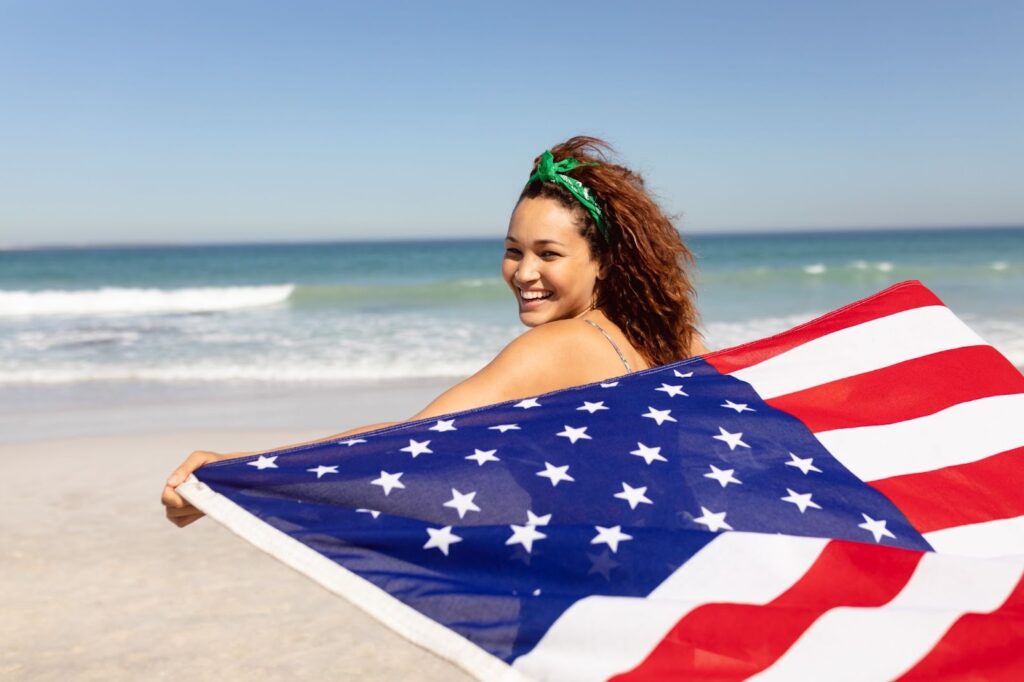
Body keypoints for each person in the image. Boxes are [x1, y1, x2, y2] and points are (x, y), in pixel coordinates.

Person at [162, 136, 708, 527]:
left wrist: (240, 472)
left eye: (549, 253)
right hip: (673, 579)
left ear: (604, 261)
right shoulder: (675, 340)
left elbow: (411, 440)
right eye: (513, 251)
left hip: (593, 596)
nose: (524, 273)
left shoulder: (557, 347)